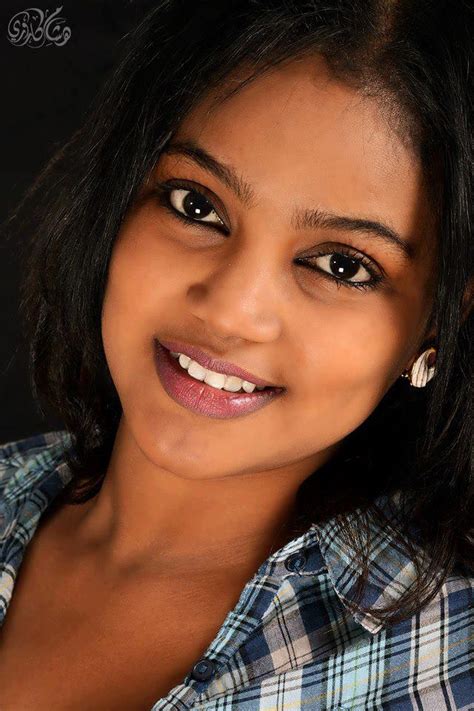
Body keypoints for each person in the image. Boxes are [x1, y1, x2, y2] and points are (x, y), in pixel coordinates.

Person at [0, 1, 472, 709]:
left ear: (440, 317)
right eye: (195, 205)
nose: (229, 312)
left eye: (341, 265)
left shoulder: (449, 662)